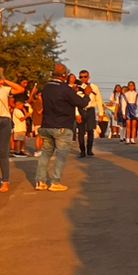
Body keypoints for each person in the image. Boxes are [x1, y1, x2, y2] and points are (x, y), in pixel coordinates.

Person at [35, 64, 87, 192]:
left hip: (47, 125)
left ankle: (40, 181)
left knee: (45, 154)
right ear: (64, 75)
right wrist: (87, 95)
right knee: (61, 156)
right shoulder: (65, 89)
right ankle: (55, 182)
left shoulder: (46, 88)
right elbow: (81, 103)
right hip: (62, 126)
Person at [75, 69, 102, 157]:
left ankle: (89, 150)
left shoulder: (94, 87)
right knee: (81, 132)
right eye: (81, 77)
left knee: (90, 131)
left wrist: (101, 113)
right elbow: (74, 102)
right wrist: (76, 114)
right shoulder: (76, 87)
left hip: (91, 110)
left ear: (88, 77)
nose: (83, 79)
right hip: (80, 110)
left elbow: (99, 100)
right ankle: (82, 151)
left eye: (85, 77)